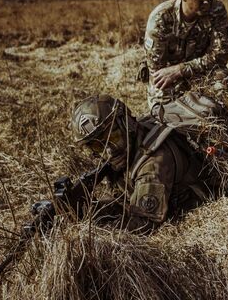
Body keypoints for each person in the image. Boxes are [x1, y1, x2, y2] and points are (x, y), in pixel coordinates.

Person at [70, 93, 217, 231]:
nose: (109, 150)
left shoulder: (152, 165)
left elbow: (144, 223)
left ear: (126, 124)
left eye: (113, 138)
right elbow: (122, 200)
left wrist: (97, 228)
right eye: (97, 145)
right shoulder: (133, 138)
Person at [143, 0, 228, 109]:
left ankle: (216, 121)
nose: (206, 3)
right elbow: (157, 70)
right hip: (168, 77)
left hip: (198, 72)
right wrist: (178, 79)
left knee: (221, 77)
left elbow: (220, 56)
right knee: (165, 111)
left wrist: (181, 69)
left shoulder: (217, 10)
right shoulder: (161, 18)